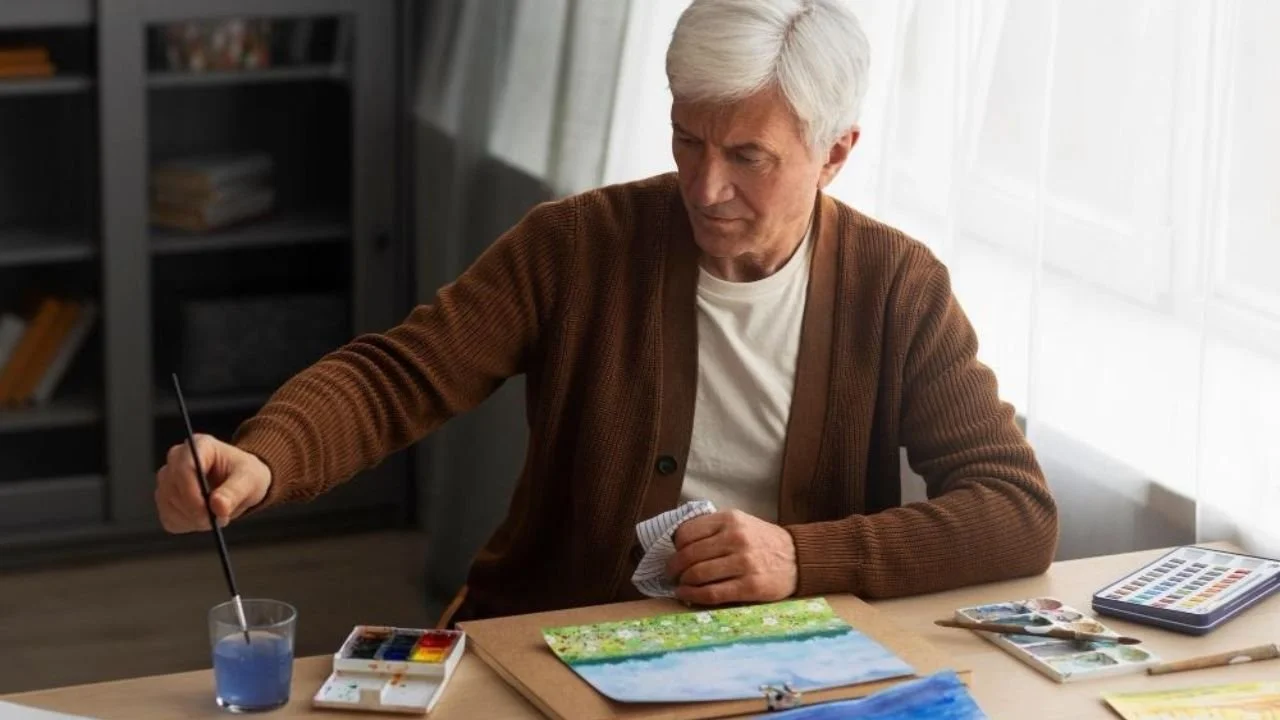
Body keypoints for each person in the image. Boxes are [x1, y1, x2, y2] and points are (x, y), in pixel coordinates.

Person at [154, 0, 1058, 626]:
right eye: (687, 140)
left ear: (835, 154)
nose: (706, 188)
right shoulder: (578, 244)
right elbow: (402, 374)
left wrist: (802, 559)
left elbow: (1013, 510)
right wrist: (266, 457)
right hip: (554, 632)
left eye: (749, 156)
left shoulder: (896, 286)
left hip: (788, 655)